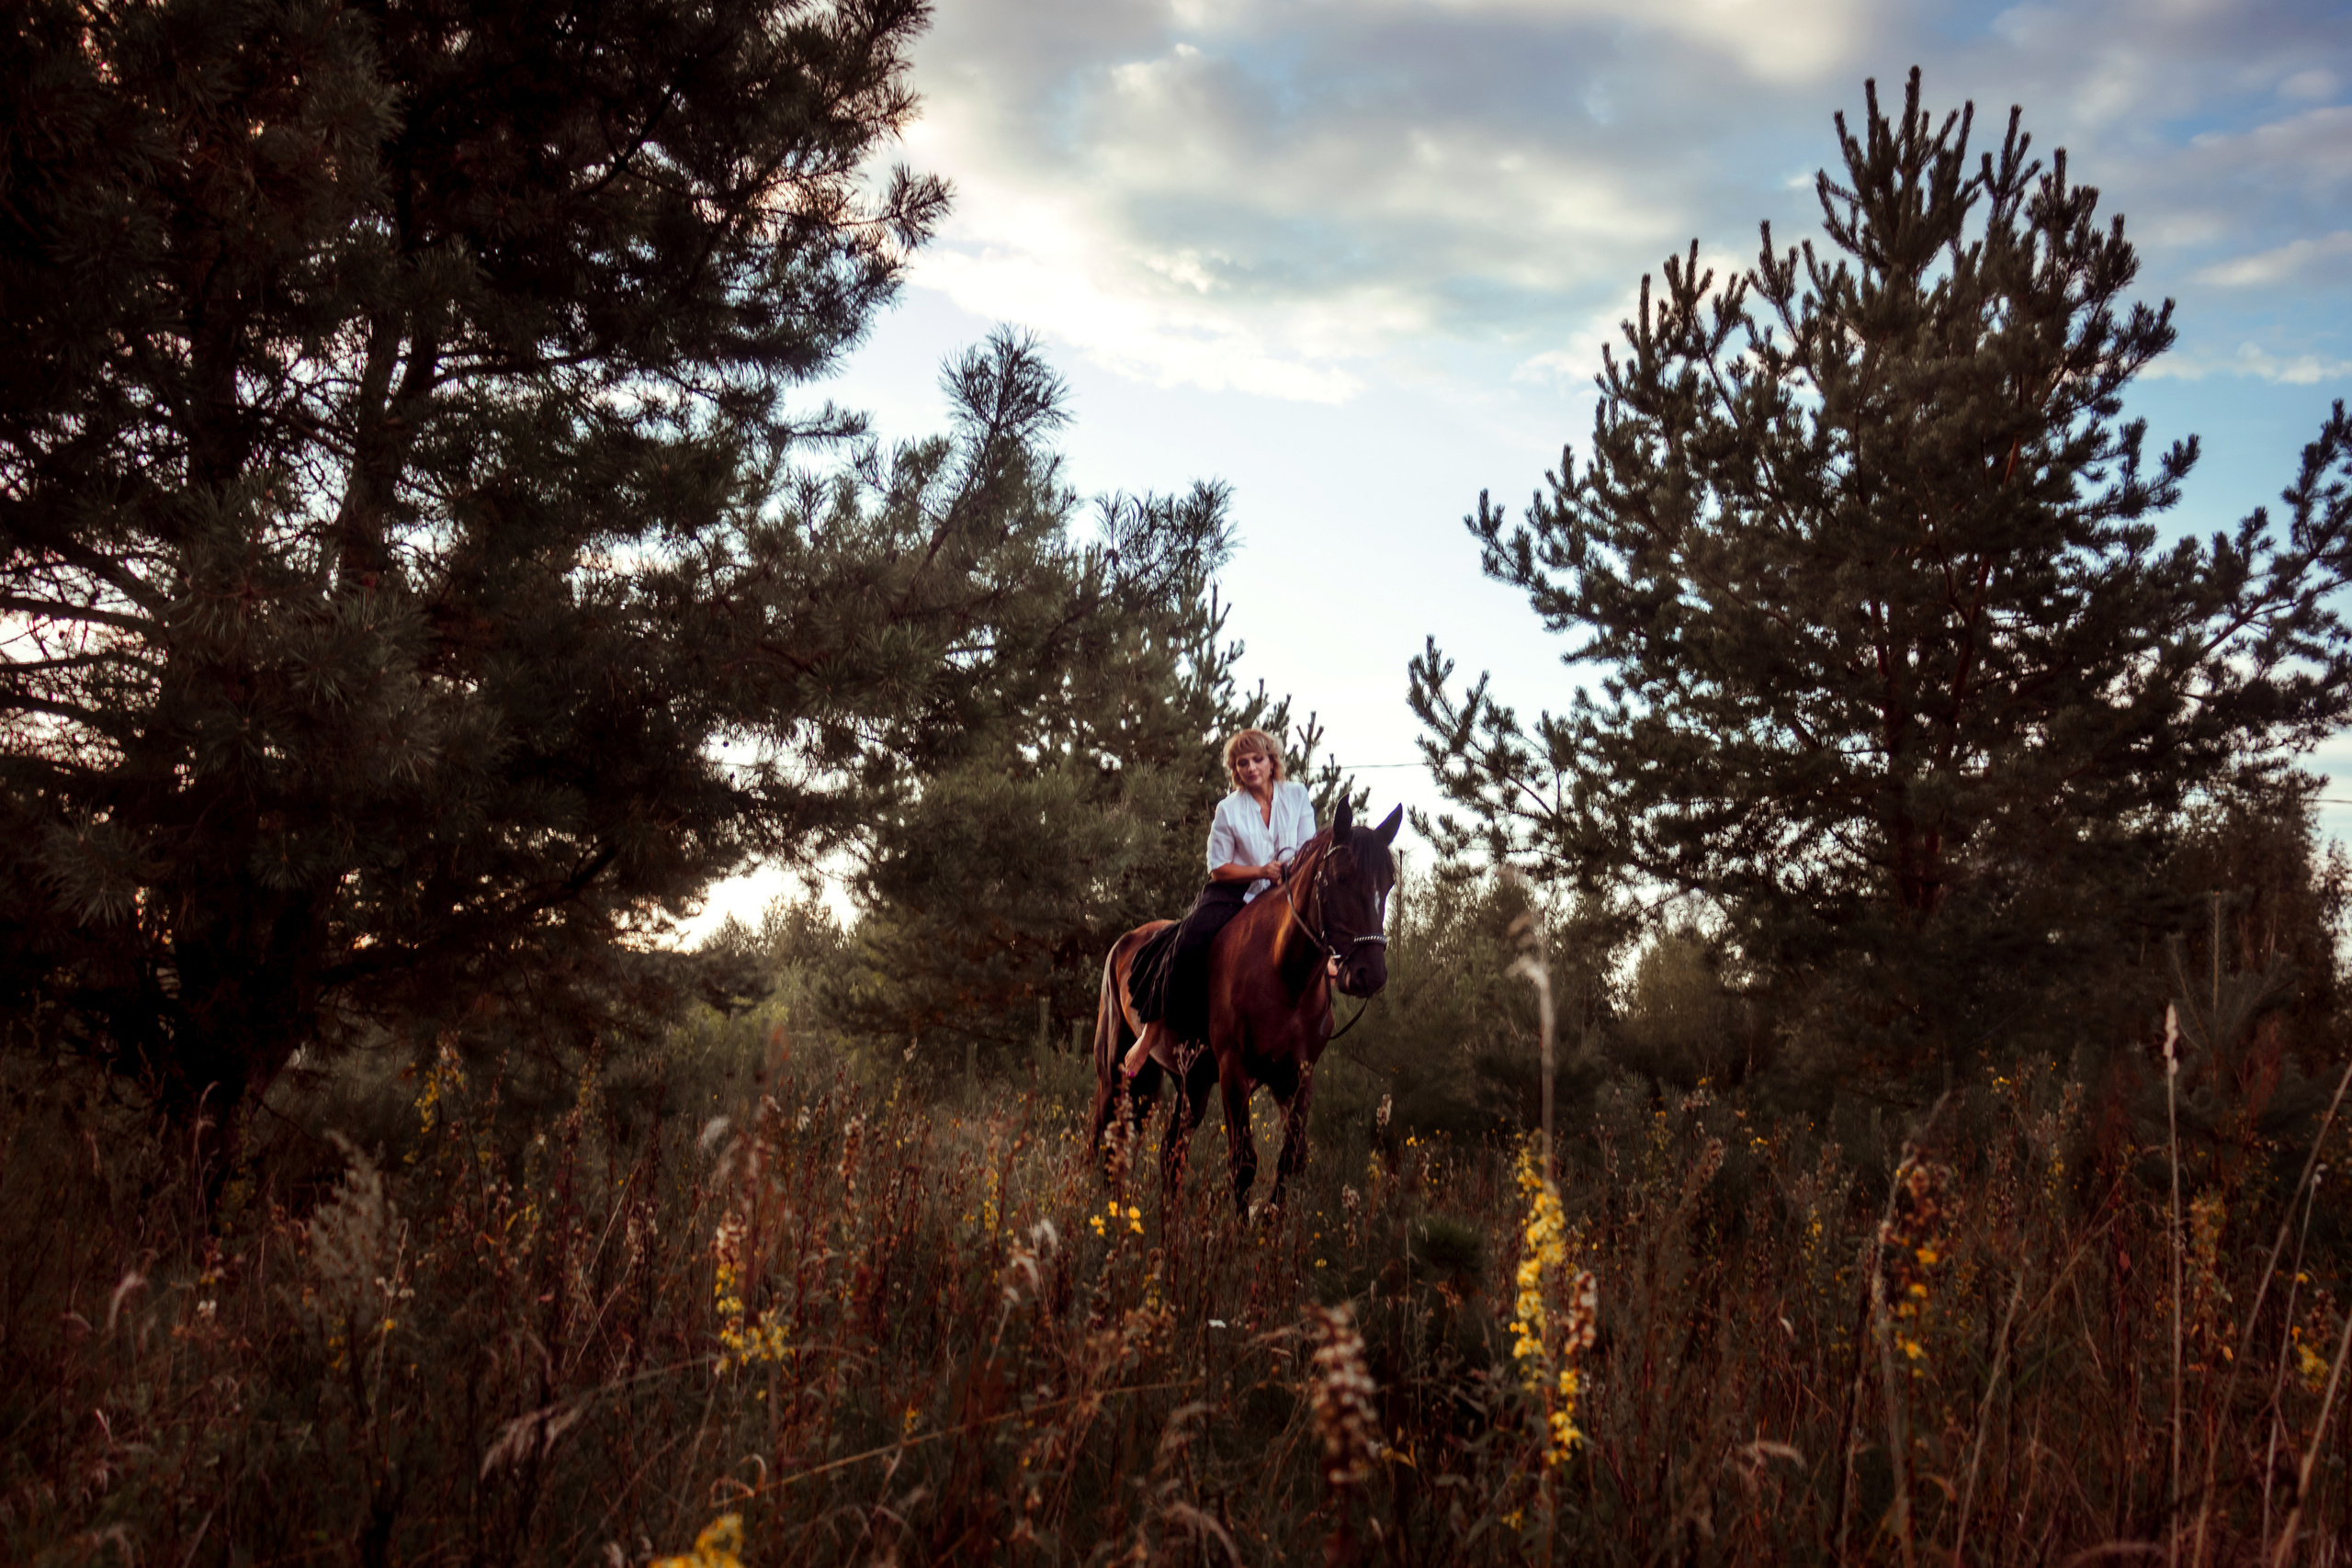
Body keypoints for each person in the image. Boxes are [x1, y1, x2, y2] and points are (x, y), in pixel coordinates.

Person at [1122, 728, 1321, 1079]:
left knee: (1324, 918)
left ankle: (1332, 970)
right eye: (1242, 763)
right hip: (1235, 893)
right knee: (1189, 940)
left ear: (1271, 761)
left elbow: (1307, 849)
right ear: (1236, 770)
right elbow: (1218, 868)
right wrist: (1260, 870)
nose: (1251, 767)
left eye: (1257, 759)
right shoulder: (1228, 809)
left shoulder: (1297, 796)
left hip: (1287, 894)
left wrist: (1286, 874)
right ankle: (1151, 1032)